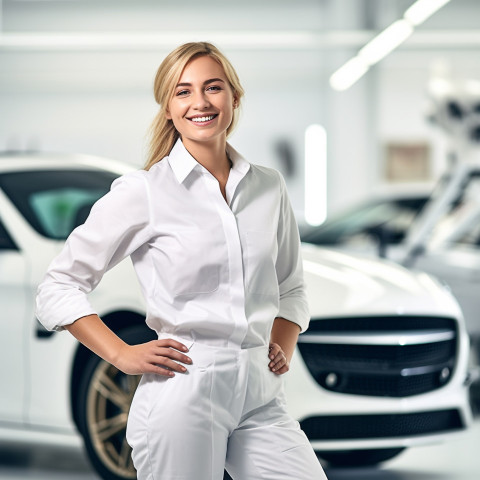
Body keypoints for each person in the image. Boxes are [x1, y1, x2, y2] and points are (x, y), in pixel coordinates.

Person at [35, 41, 328, 480]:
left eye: (213, 88)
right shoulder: (145, 192)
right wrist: (121, 354)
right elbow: (57, 287)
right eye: (183, 91)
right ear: (168, 108)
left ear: (234, 97)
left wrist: (283, 341)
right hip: (185, 389)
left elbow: (291, 286)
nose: (200, 102)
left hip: (262, 394)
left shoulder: (269, 187)